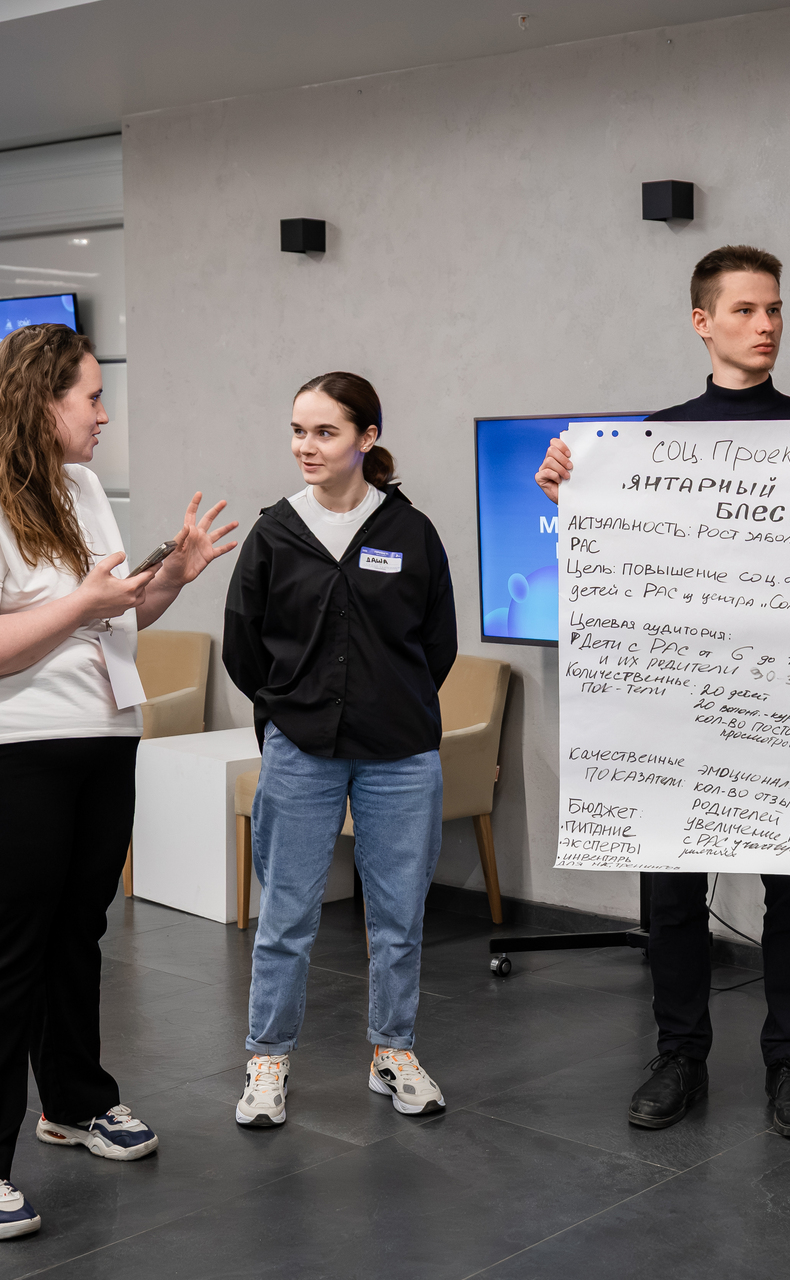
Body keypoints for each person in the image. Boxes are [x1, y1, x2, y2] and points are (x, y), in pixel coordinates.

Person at [535, 245, 790, 1140]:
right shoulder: (649, 443)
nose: (765, 325)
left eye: (774, 308)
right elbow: (621, 567)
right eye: (745, 310)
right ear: (702, 322)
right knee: (670, 889)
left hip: (788, 706)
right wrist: (571, 500)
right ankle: (679, 1055)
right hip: (675, 701)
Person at [0, 323, 237, 1241]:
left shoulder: (80, 489)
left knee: (73, 935)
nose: (103, 414)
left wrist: (170, 579)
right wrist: (85, 602)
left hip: (97, 738)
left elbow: (110, 619)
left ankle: (75, 1103)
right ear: (41, 400)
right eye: (91, 396)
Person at [224, 371, 458, 1130]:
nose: (307, 446)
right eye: (299, 430)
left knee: (398, 917)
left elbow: (437, 644)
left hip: (401, 754)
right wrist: (288, 714)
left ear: (367, 438)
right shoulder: (274, 532)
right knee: (286, 917)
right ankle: (267, 1059)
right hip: (301, 752)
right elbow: (243, 647)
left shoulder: (410, 532)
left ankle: (394, 1050)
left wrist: (390, 700)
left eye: (325, 432)